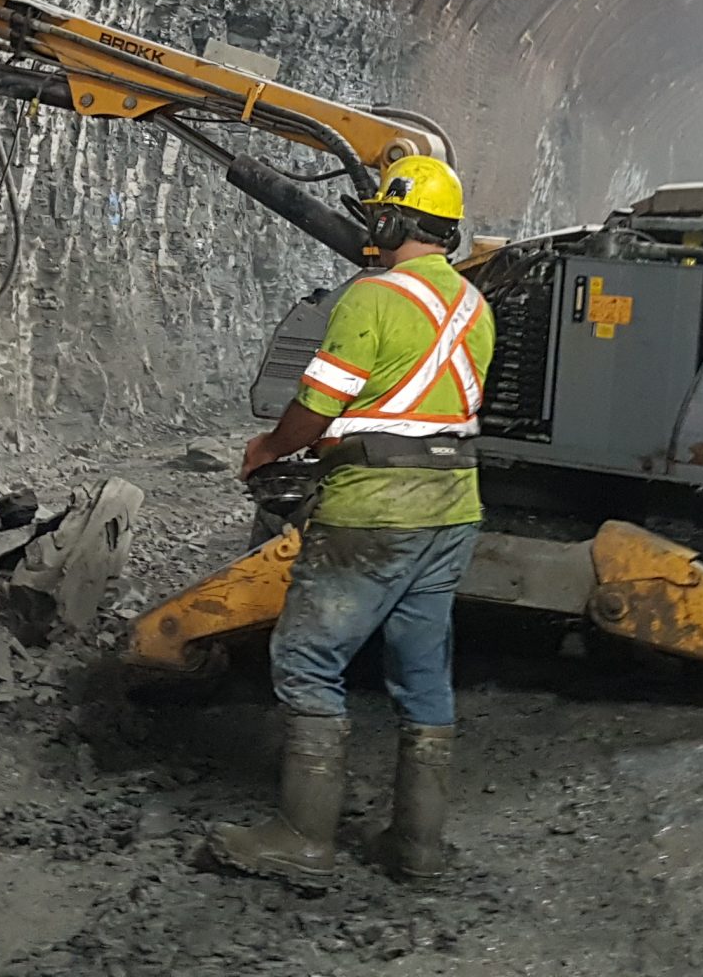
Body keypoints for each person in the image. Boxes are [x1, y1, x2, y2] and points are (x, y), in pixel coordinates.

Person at [211, 154, 495, 888]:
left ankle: (304, 841)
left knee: (307, 659)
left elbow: (320, 405)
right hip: (454, 511)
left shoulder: (371, 300)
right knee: (423, 672)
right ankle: (419, 849)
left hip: (375, 510)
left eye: (379, 215)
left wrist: (267, 448)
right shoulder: (475, 306)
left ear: (394, 220)